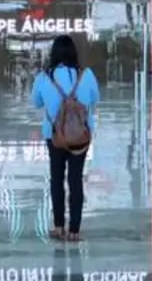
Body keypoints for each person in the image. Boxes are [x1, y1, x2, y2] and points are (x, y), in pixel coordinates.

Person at [31, 35, 100, 242]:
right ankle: (75, 230)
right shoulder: (86, 75)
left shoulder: (44, 77)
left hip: (55, 136)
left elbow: (36, 102)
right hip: (81, 135)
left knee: (57, 179)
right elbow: (95, 99)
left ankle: (59, 226)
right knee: (76, 179)